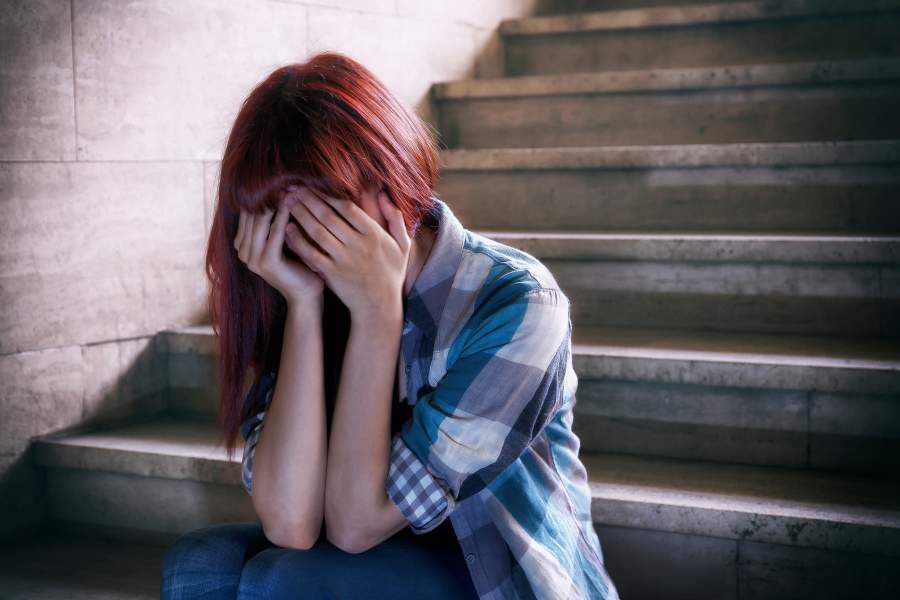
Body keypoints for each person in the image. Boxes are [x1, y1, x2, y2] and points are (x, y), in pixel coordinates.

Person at [161, 50, 619, 600]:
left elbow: (355, 526)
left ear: (386, 183)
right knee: (199, 565)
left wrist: (378, 313)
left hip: (498, 573)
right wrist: (304, 309)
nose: (300, 241)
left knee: (283, 583)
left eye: (322, 215)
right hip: (382, 556)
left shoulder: (517, 302)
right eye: (277, 220)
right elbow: (291, 522)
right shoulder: (294, 289)